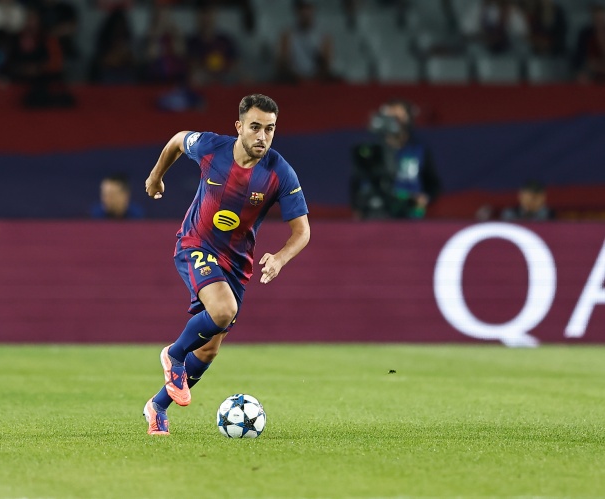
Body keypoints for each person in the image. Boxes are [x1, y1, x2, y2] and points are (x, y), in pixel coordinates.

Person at [142, 93, 310, 435]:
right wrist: (156, 176)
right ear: (239, 127)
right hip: (195, 245)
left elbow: (302, 231)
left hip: (236, 265)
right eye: (255, 127)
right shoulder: (211, 147)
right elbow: (177, 141)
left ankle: (157, 406)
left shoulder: (279, 172)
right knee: (222, 311)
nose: (262, 136)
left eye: (269, 129)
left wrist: (280, 258)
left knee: (208, 351)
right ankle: (174, 355)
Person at [349, 99, 442, 220]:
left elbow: (433, 184)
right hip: (377, 216)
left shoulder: (419, 149)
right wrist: (357, 208)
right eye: (390, 117)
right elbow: (357, 181)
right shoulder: (373, 150)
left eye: (398, 117)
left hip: (410, 215)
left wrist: (425, 197)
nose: (394, 121)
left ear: (408, 118)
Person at [276, 0, 336, 83]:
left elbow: (327, 63)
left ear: (313, 9)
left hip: (317, 80)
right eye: (302, 8)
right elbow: (283, 61)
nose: (305, 12)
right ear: (296, 11)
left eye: (308, 8)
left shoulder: (323, 35)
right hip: (294, 81)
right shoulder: (287, 35)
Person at [573, 3, 605, 84]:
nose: (599, 21)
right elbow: (580, 55)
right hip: (591, 70)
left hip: (600, 67)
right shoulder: (585, 34)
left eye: (601, 18)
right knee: (582, 78)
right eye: (596, 18)